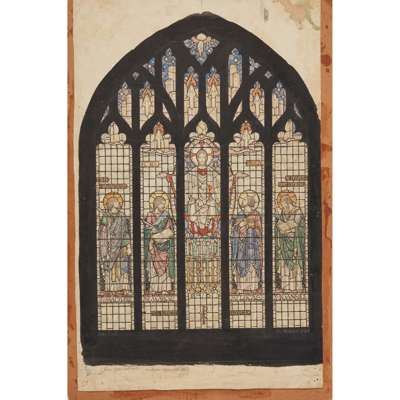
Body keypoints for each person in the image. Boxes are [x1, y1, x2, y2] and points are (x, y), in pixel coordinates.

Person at [98, 192, 131, 293]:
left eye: (118, 204)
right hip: (109, 247)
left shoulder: (122, 217)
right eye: (115, 204)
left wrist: (128, 246)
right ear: (110, 205)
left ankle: (123, 287)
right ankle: (111, 289)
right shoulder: (105, 217)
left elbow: (126, 233)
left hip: (121, 247)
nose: (118, 206)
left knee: (122, 267)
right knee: (110, 267)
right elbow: (102, 233)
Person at [231, 190, 263, 293]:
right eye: (243, 201)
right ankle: (241, 287)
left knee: (252, 264)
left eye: (245, 200)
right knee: (241, 263)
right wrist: (238, 228)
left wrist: (250, 227)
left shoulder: (256, 214)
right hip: (241, 245)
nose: (243, 203)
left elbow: (259, 230)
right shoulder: (240, 214)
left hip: (253, 245)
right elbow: (234, 230)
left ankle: (252, 287)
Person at [143, 192, 175, 294]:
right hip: (154, 245)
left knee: (164, 266)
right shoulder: (150, 215)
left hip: (164, 244)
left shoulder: (166, 216)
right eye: (162, 204)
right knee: (154, 266)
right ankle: (154, 288)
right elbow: (147, 229)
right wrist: (152, 231)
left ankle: (164, 288)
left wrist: (161, 233)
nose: (164, 206)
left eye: (165, 204)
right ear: (157, 204)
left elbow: (170, 230)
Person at [275, 191, 306, 291]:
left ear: (287, 201)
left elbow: (295, 224)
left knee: (295, 264)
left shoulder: (298, 211)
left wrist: (285, 227)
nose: (281, 206)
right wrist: (284, 227)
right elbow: (280, 225)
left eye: (282, 203)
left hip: (295, 243)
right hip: (285, 243)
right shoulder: (283, 212)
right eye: (280, 204)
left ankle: (296, 287)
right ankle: (286, 287)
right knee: (284, 265)